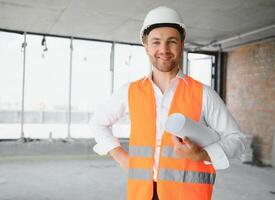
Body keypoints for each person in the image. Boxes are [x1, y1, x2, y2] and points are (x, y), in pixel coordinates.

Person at [90, 6, 246, 200]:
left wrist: (203, 155)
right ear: (146, 46)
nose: (163, 50)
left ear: (181, 45)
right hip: (142, 193)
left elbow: (237, 139)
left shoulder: (204, 94)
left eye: (172, 42)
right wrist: (122, 157)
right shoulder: (129, 91)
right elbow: (98, 123)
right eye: (156, 42)